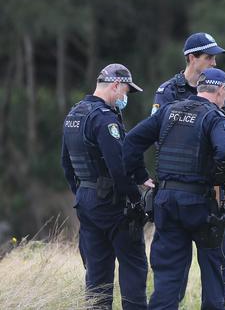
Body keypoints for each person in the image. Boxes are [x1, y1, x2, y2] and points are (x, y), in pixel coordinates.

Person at [123, 68, 225, 310]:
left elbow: (132, 141)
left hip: (165, 202)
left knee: (167, 278)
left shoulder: (168, 110)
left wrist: (142, 176)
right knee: (213, 272)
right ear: (221, 91)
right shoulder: (214, 116)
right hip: (201, 205)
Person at [152, 32, 225, 306]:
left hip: (215, 188)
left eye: (215, 57)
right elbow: (157, 133)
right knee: (171, 273)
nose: (214, 62)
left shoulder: (220, 86)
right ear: (192, 58)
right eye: (208, 57)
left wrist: (215, 137)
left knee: (218, 267)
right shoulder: (168, 92)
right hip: (179, 187)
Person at [61, 63, 148, 309]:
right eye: (126, 92)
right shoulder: (104, 119)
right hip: (114, 204)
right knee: (133, 268)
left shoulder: (74, 115)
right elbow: (118, 168)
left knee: (97, 278)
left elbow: (66, 164)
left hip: (86, 202)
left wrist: (81, 194)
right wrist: (135, 198)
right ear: (116, 85)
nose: (125, 98)